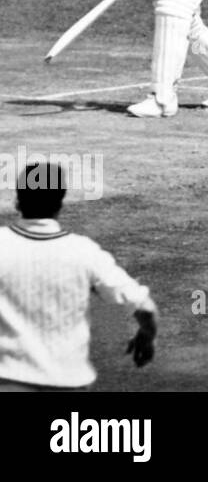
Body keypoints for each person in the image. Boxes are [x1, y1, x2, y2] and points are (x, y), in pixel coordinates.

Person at [0, 162, 156, 391]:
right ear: (60, 204)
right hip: (68, 389)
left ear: (17, 201)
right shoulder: (84, 251)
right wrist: (147, 335)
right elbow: (145, 308)